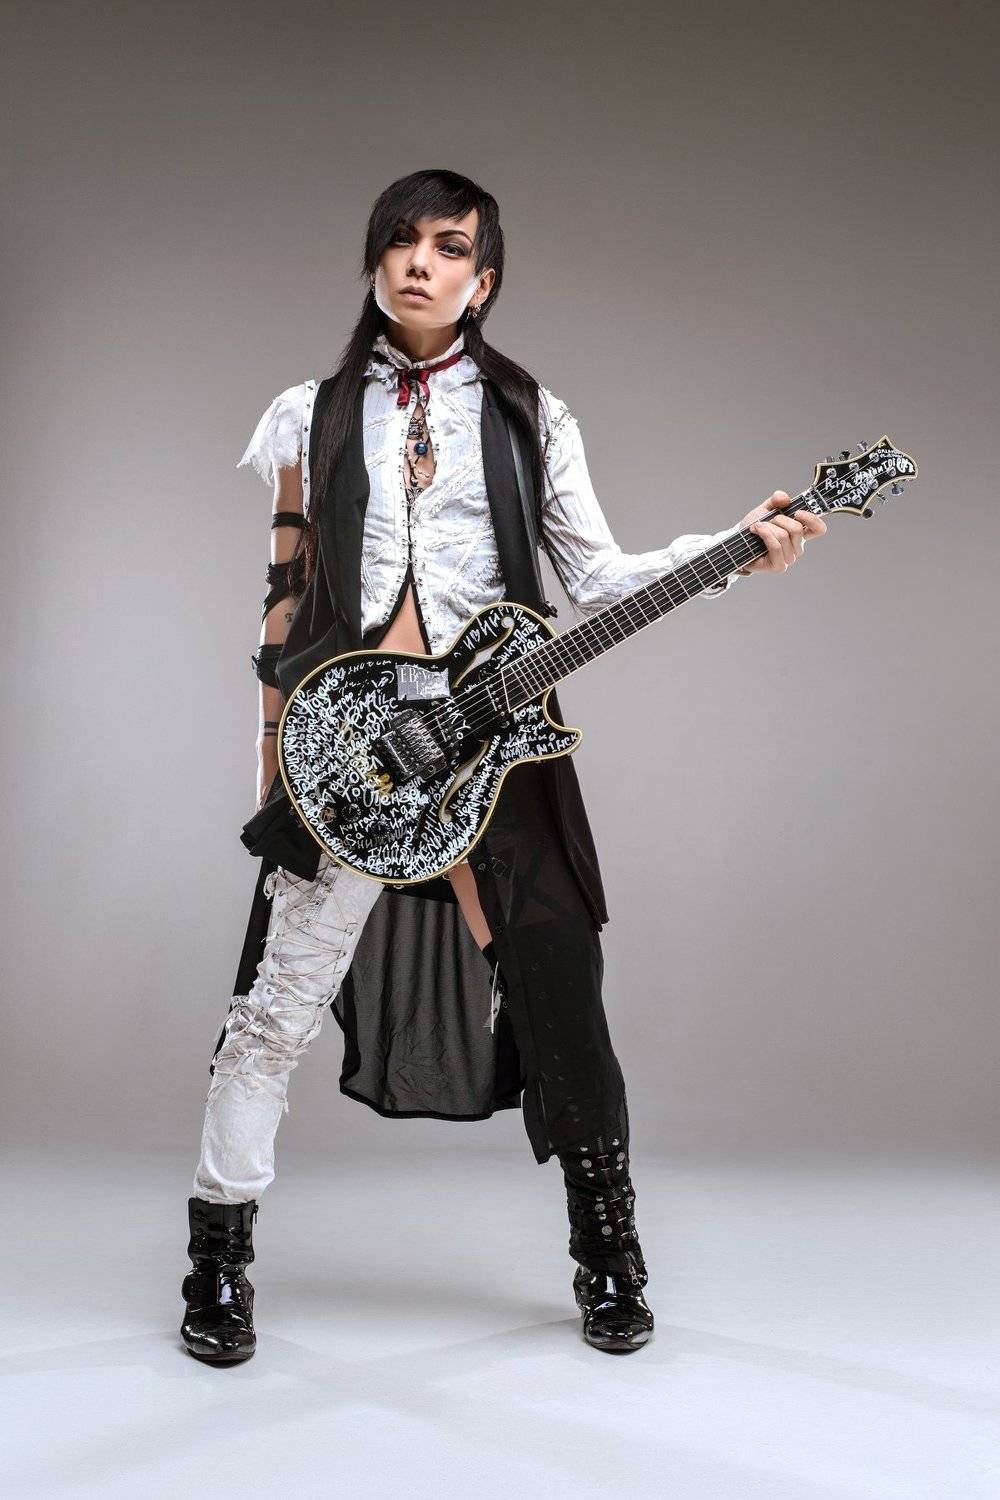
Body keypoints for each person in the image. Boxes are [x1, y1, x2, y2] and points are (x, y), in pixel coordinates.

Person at [180, 168, 828, 1365]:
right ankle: (215, 1260)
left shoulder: (533, 414)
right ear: (374, 261)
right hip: (350, 748)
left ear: (483, 282)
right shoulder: (306, 414)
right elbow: (282, 603)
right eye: (399, 241)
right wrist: (274, 764)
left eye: (447, 246)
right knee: (274, 1007)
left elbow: (599, 577)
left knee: (558, 989)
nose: (417, 262)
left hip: (493, 743)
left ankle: (609, 1257)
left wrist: (737, 548)